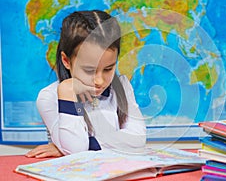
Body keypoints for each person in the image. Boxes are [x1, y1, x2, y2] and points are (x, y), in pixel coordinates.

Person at [26, 10, 146, 158]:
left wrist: (88, 145)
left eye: (108, 69)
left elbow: (138, 139)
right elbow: (76, 151)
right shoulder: (48, 97)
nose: (100, 81)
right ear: (66, 61)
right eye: (89, 70)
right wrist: (66, 91)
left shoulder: (122, 86)